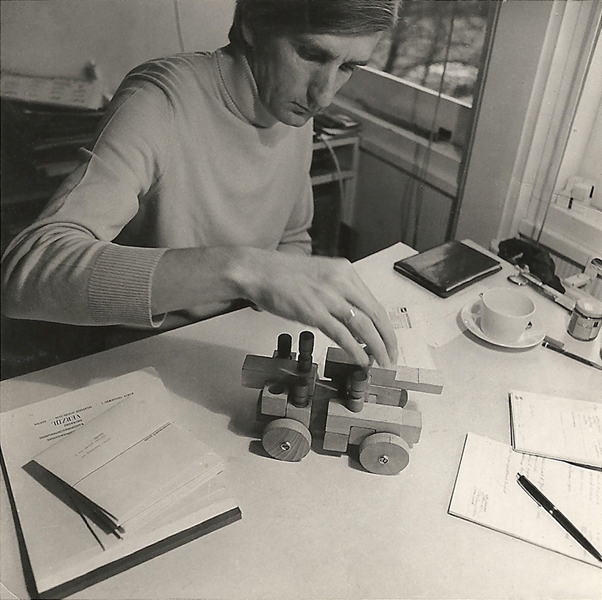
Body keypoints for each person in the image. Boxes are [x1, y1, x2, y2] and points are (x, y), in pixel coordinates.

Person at [1, 0, 400, 369]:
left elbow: (292, 238)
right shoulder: (158, 101)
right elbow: (28, 272)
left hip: (225, 347)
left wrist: (275, 289)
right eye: (311, 54)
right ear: (253, 25)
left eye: (349, 67)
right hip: (137, 360)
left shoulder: (294, 109)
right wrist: (245, 269)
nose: (324, 95)